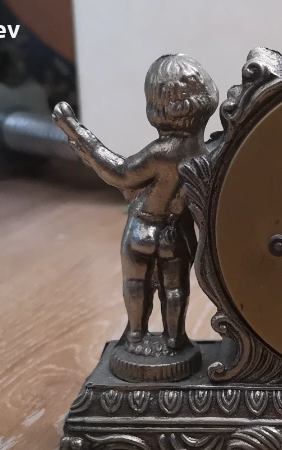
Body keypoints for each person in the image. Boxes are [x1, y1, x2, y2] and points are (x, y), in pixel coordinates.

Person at [52, 54, 217, 351]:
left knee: (136, 285)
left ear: (156, 108)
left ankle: (136, 337)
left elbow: (120, 173)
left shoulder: (161, 152)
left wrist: (79, 134)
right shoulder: (203, 151)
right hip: (176, 234)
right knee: (175, 289)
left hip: (143, 228)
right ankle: (174, 339)